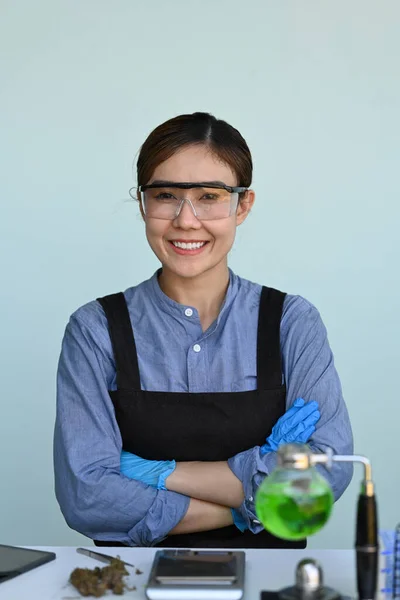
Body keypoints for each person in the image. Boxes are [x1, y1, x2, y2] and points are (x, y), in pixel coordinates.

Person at [54, 112, 353, 549]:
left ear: (242, 205)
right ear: (142, 203)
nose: (186, 220)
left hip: (269, 582)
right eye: (166, 195)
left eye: (210, 196)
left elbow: (328, 473)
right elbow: (88, 497)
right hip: (133, 583)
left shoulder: (292, 321)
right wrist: (255, 499)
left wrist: (162, 473)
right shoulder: (94, 329)